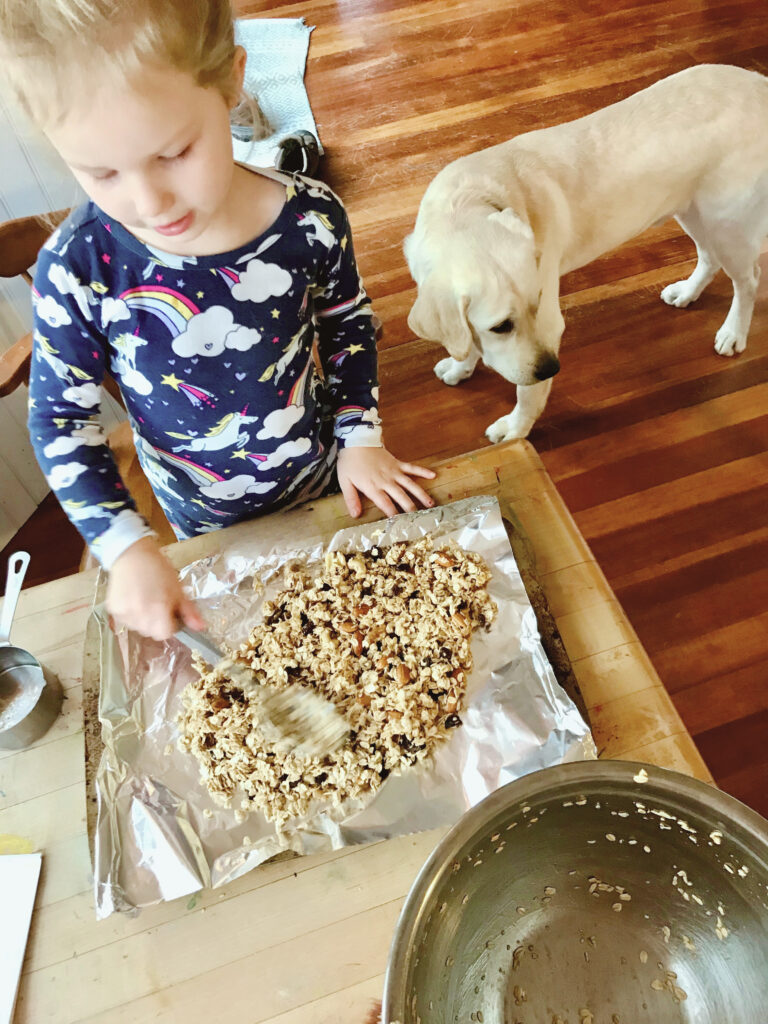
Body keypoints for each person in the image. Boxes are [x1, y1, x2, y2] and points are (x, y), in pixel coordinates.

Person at [0, 0, 436, 641]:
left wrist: (360, 439)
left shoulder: (309, 221)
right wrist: (124, 545)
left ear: (232, 81)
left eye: (174, 152)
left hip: (318, 472)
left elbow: (347, 325)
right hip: (196, 511)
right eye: (101, 173)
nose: (149, 203)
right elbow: (60, 419)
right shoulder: (77, 266)